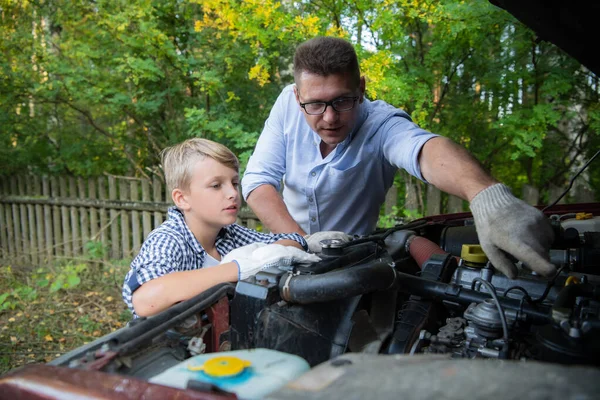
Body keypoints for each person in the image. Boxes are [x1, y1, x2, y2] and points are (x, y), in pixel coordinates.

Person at [241, 36, 555, 280]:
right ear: (297, 96)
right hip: (288, 253)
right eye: (315, 105)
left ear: (361, 88)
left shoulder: (381, 124)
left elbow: (426, 150)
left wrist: (486, 195)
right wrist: (301, 243)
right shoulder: (287, 104)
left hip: (355, 261)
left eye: (343, 100)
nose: (330, 117)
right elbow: (257, 182)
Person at [122, 138, 318, 318]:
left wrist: (268, 254)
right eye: (216, 185)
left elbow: (294, 241)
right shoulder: (169, 239)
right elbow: (144, 300)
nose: (232, 193)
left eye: (234, 183)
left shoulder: (229, 234)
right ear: (182, 199)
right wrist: (238, 269)